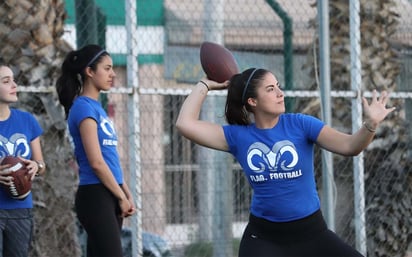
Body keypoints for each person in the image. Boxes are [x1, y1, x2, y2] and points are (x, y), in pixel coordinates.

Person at [176, 68, 396, 257]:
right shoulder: (238, 136)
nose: (280, 93)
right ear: (252, 101)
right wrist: (205, 84)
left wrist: (370, 124)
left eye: (278, 86)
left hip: (312, 233)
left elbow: (350, 147)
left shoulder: (300, 124)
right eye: (270, 89)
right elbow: (185, 124)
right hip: (264, 239)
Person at [55, 44, 135, 257]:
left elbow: (111, 159)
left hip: (110, 191)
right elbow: (96, 162)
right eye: (107, 68)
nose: (112, 74)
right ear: (89, 72)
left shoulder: (97, 108)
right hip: (95, 195)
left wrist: (125, 191)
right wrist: (120, 196)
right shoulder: (83, 108)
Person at [0, 63, 46, 257]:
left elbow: (41, 164)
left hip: (20, 209)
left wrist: (36, 166)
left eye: (14, 80)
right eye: (6, 81)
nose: (14, 85)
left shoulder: (27, 121)